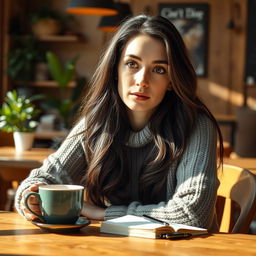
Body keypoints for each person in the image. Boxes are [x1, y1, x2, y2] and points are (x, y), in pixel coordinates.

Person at [15, 14, 223, 231]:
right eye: (132, 64)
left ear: (172, 81)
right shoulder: (96, 122)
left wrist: (102, 214)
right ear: (116, 70)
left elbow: (192, 215)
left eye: (159, 69)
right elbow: (45, 178)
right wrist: (31, 195)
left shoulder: (196, 125)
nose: (142, 80)